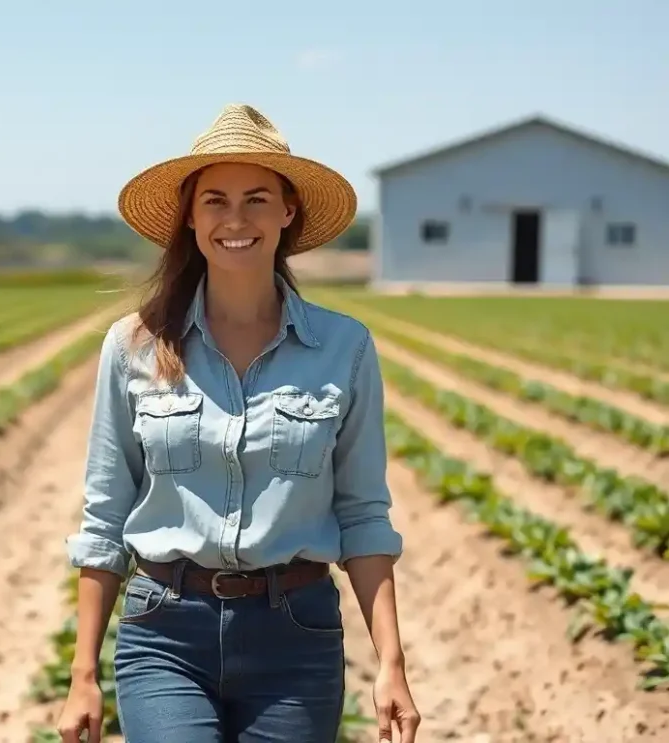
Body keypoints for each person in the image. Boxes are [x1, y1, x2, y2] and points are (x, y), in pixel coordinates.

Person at [56, 103, 421, 743]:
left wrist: (391, 663)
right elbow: (104, 516)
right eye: (215, 201)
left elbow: (364, 513)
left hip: (296, 637)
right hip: (165, 632)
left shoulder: (346, 348)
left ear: (288, 213)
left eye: (257, 199)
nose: (235, 219)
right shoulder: (134, 346)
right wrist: (82, 672)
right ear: (191, 219)